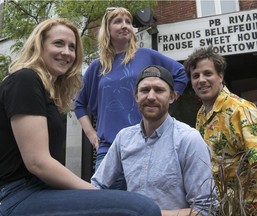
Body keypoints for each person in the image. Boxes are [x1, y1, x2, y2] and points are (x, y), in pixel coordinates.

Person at [0, 18, 162, 216]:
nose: (66, 52)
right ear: (39, 45)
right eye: (58, 43)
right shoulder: (24, 79)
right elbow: (38, 162)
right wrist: (94, 192)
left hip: (39, 190)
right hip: (17, 195)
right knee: (143, 208)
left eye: (72, 47)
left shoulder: (45, 91)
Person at [74, 7, 188, 190]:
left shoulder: (146, 55)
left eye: (128, 22)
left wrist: (168, 98)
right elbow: (79, 104)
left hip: (147, 146)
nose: (125, 26)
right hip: (109, 149)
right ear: (107, 28)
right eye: (118, 21)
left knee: (146, 204)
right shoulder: (97, 67)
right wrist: (91, 135)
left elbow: (180, 73)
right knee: (108, 206)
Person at [91, 65, 219, 216]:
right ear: (136, 96)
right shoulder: (124, 138)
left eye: (159, 90)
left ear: (172, 97)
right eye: (145, 90)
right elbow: (97, 187)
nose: (151, 96)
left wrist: (147, 213)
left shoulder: (188, 139)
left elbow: (205, 210)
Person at [184, 46, 257, 215]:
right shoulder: (201, 114)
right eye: (195, 76)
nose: (201, 80)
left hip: (250, 210)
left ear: (221, 76)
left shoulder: (240, 109)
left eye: (207, 73)